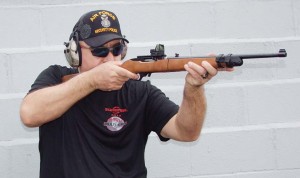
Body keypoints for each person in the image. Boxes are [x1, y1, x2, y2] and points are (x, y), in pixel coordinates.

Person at [20, 10, 230, 178]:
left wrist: (194, 89)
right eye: (99, 51)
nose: (110, 58)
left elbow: (187, 132)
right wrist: (92, 80)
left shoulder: (140, 92)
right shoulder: (56, 78)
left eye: (116, 49)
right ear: (75, 53)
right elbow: (29, 114)